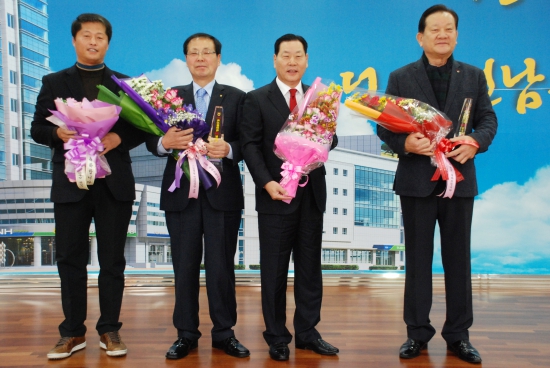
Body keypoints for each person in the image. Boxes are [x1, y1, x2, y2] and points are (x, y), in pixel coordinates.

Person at [377, 4, 497, 364]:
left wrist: (475, 141)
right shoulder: (401, 76)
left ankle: (459, 335)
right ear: (421, 36)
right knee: (417, 260)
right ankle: (417, 334)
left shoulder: (473, 76)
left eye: (449, 29)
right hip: (417, 181)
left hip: (459, 181)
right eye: (435, 29)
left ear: (457, 36)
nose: (442, 34)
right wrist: (405, 144)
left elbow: (488, 119)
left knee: (458, 261)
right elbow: (385, 125)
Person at [31, 14, 147, 360]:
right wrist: (58, 133)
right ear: (74, 40)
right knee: (69, 259)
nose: (93, 41)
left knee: (113, 260)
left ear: (108, 43)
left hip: (113, 183)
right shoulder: (53, 82)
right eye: (87, 36)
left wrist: (118, 137)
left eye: (100, 37)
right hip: (70, 183)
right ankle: (72, 333)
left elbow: (144, 128)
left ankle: (110, 330)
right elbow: (37, 128)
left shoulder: (125, 83)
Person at [144, 33, 249, 360]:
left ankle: (224, 333)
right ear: (186, 59)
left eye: (207, 53)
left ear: (218, 58)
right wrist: (166, 142)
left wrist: (230, 149)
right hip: (181, 195)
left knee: (221, 269)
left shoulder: (237, 97)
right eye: (194, 53)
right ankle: (186, 334)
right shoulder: (169, 97)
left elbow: (250, 143)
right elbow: (151, 140)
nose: (200, 58)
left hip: (222, 195)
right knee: (183, 267)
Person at [240, 34, 339, 361]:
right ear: (275, 60)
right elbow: (250, 146)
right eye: (286, 56)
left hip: (311, 196)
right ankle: (277, 337)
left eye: (298, 56)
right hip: (275, 196)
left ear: (307, 60)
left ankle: (308, 333)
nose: (292, 62)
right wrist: (267, 183)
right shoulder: (256, 99)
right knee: (274, 271)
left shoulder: (319, 99)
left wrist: (320, 137)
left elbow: (330, 140)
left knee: (311, 270)